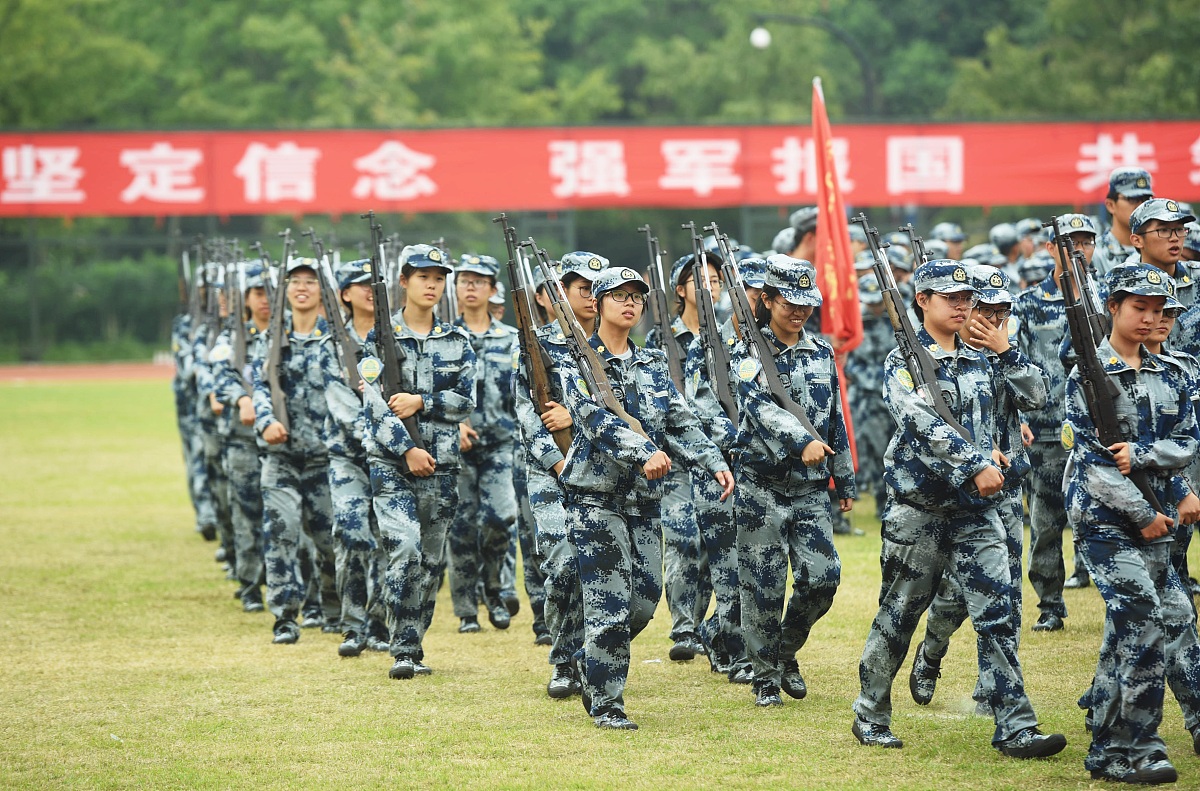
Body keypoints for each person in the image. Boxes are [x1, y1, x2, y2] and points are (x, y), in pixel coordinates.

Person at [852, 259, 1065, 760]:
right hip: (920, 511)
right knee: (899, 615)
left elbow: (1037, 397)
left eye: (967, 298)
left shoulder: (981, 358)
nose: (963, 306)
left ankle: (1014, 725)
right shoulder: (903, 360)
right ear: (922, 300)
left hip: (979, 513)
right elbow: (919, 420)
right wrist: (973, 461)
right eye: (951, 298)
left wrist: (1005, 349)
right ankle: (870, 712)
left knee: (998, 615)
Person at [557, 266, 734, 730]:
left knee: (644, 602)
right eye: (619, 295)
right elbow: (595, 420)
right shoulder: (578, 360)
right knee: (610, 605)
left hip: (642, 502)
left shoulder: (650, 363)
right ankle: (607, 703)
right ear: (598, 303)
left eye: (636, 296)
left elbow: (679, 420)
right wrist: (643, 452)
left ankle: (589, 659)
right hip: (594, 498)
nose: (630, 303)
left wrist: (712, 460)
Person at [1063, 263, 1200, 784]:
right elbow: (1093, 465)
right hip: (1104, 519)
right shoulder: (1086, 374)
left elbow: (1188, 442)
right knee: (1142, 617)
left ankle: (1106, 745)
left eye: (1159, 310)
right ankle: (1142, 746)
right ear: (1114, 308)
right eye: (1138, 307)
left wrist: (1143, 454)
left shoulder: (1174, 373)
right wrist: (1143, 516)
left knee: (1165, 616)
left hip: (1158, 516)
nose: (1149, 318)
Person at [909, 264, 1045, 712]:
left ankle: (996, 691)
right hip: (958, 489)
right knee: (956, 593)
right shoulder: (937, 357)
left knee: (1005, 594)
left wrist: (1007, 352)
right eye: (984, 311)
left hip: (1005, 490)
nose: (992, 320)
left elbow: (1038, 396)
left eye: (1001, 312)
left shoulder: (1004, 350)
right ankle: (931, 649)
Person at [732, 256, 855, 707]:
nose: (799, 312)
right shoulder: (747, 351)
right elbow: (758, 407)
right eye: (789, 303)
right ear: (767, 300)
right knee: (762, 586)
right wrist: (800, 439)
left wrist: (844, 479)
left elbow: (834, 418)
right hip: (760, 486)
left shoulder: (821, 351)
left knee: (824, 577)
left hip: (808, 488)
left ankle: (785, 649)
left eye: (807, 304)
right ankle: (765, 678)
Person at [359, 244, 476, 679]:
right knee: (404, 548)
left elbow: (466, 400)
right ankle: (401, 647)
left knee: (430, 562)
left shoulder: (457, 341)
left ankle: (413, 643)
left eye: (438, 277)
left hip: (442, 467)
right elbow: (371, 402)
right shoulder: (376, 338)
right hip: (391, 464)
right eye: (423, 276)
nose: (432, 284)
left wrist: (421, 402)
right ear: (403, 281)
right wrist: (405, 449)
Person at [515, 252, 605, 698]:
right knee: (565, 562)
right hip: (551, 471)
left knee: (604, 569)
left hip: (603, 471)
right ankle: (564, 658)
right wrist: (556, 459)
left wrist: (578, 416)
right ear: (556, 296)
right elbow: (527, 415)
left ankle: (597, 654)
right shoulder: (536, 345)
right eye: (580, 288)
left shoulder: (613, 345)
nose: (589, 296)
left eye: (595, 287)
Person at [250, 257, 341, 644]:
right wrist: (265, 422)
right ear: (285, 290)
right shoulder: (271, 339)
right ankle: (285, 616)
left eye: (310, 281)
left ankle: (333, 606)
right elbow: (258, 386)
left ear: (323, 291)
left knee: (328, 541)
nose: (302, 287)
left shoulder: (337, 340)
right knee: (280, 534)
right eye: (295, 281)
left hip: (325, 458)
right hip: (281, 456)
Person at [1013, 214, 1098, 619]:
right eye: (1070, 242)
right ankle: (1049, 604)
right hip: (1046, 431)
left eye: (1086, 242)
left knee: (1104, 518)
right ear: (1050, 249)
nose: (1079, 249)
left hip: (1099, 429)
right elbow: (1012, 364)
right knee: (1046, 522)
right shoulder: (1028, 304)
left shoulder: (1107, 299)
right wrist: (1019, 417)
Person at [643, 251, 720, 661]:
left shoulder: (726, 339)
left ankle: (706, 621)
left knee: (712, 544)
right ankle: (683, 628)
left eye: (716, 280)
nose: (709, 288)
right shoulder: (659, 340)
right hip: (672, 458)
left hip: (716, 456)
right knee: (683, 539)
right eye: (700, 280)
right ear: (680, 289)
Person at [318, 258, 391, 656]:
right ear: (345, 294)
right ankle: (352, 624)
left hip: (391, 457)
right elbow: (341, 405)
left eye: (373, 284)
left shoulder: (394, 339)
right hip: (348, 456)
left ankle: (379, 625)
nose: (368, 291)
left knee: (385, 537)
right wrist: (382, 436)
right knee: (350, 532)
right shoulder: (332, 343)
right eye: (358, 285)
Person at [447, 254, 520, 633]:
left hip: (500, 446)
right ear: (456, 289)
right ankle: (466, 610)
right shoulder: (443, 338)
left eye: (479, 281)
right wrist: (453, 423)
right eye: (464, 281)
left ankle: (494, 585)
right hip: (453, 447)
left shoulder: (511, 340)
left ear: (493, 289)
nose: (471, 287)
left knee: (499, 518)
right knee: (460, 528)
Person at [209, 262, 271, 613]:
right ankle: (250, 584)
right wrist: (243, 399)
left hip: (285, 439)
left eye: (270, 294)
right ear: (246, 299)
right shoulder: (232, 338)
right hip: (243, 437)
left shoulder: (289, 334)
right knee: (246, 511)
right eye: (258, 293)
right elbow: (222, 377)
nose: (265, 301)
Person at [1092, 167, 1153, 277]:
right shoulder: (1095, 255)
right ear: (1111, 205)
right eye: (1132, 199)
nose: (1141, 206)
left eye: (1146, 199)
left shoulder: (1156, 250)